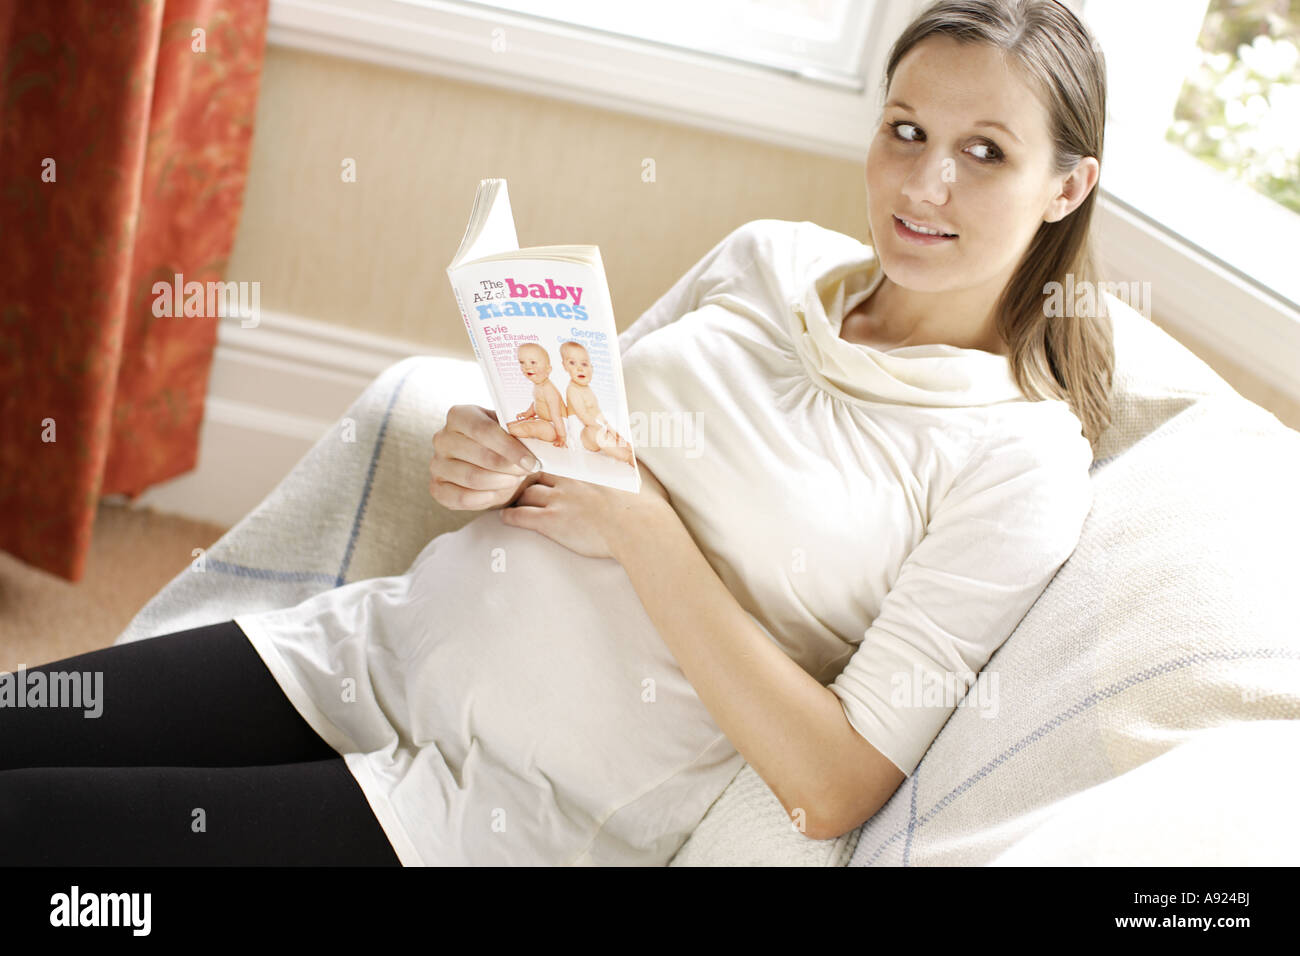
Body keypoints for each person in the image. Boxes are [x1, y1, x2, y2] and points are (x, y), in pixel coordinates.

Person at [0, 0, 1113, 865]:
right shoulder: (767, 257)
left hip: (501, 811)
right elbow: (575, 441)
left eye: (985, 153)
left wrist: (642, 526)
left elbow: (833, 781)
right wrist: (486, 456)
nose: (924, 182)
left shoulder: (1017, 458)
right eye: (906, 130)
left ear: (1067, 187)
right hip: (370, 651)